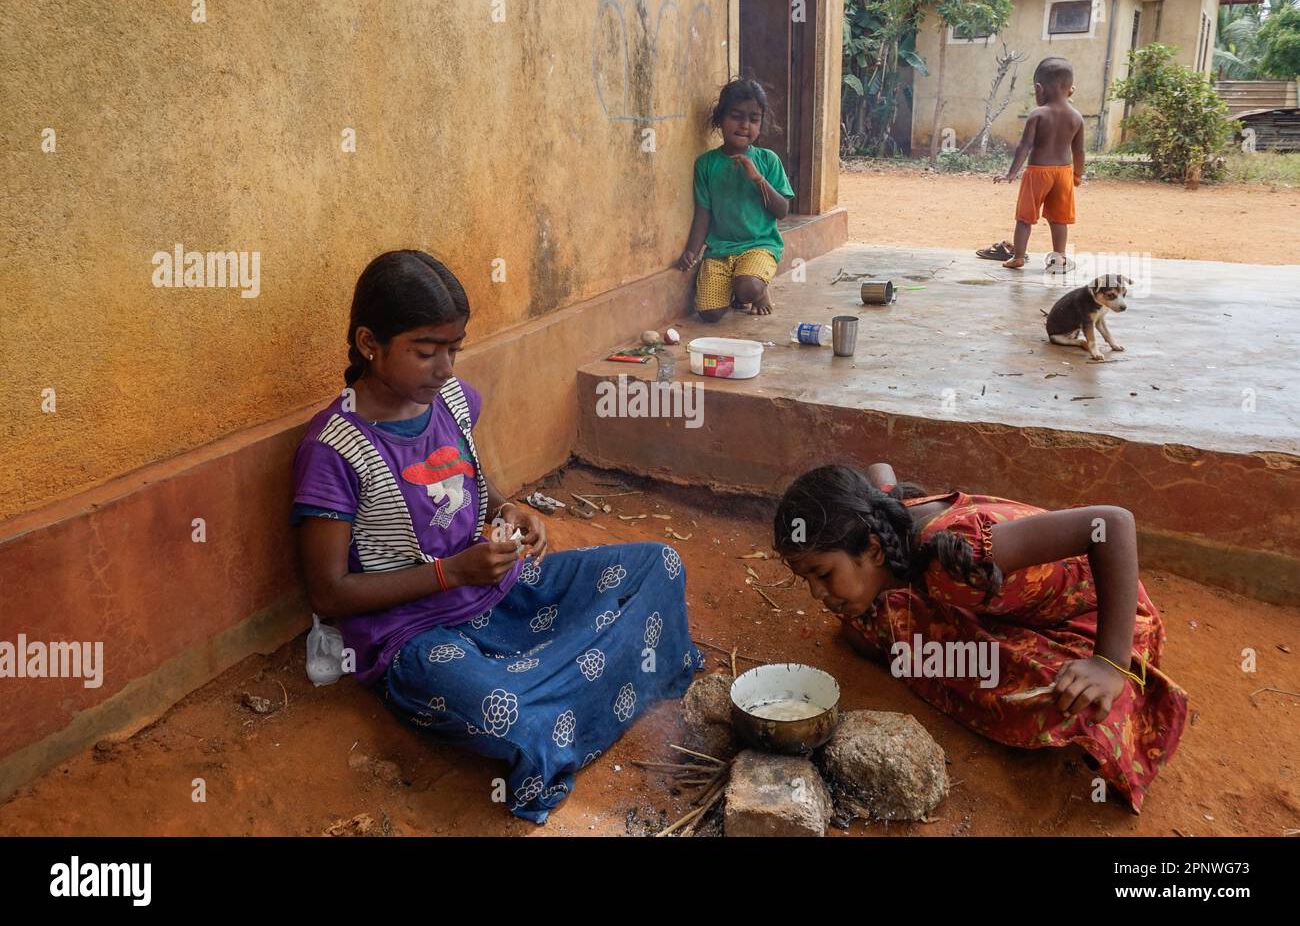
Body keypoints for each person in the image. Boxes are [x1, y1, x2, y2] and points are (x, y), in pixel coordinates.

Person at [291, 249, 702, 823]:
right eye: (426, 352)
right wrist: (449, 573)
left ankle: (559, 695)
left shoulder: (451, 402)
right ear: (368, 343)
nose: (445, 369)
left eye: (454, 350)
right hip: (415, 634)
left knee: (660, 565)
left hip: (507, 593)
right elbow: (328, 595)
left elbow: (482, 492)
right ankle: (580, 689)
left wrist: (515, 510)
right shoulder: (333, 448)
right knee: (505, 710)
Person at [772, 462, 1188, 812]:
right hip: (1003, 607)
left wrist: (1109, 663)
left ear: (875, 550)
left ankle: (1121, 679)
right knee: (869, 621)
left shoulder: (962, 550)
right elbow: (880, 470)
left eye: (823, 575)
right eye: (806, 579)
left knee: (1060, 698)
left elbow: (1112, 523)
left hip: (1100, 613)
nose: (816, 594)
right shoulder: (882, 512)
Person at [675, 78, 795, 320]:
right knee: (709, 314)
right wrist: (692, 251)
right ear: (720, 118)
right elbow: (703, 212)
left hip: (759, 246)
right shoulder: (706, 164)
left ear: (761, 123)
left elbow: (781, 210)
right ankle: (737, 290)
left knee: (749, 286)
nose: (744, 125)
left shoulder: (768, 160)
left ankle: (756, 291)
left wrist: (758, 179)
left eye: (754, 119)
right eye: (736, 116)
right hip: (721, 249)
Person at [986, 56, 1085, 272]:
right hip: (1064, 173)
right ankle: (1059, 259)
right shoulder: (1077, 117)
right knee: (1059, 219)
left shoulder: (1037, 115)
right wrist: (1078, 174)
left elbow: (1025, 146)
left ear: (1039, 88)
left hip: (1038, 172)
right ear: (1071, 90)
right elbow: (1079, 150)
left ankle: (1019, 256)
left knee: (1025, 218)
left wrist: (1011, 173)